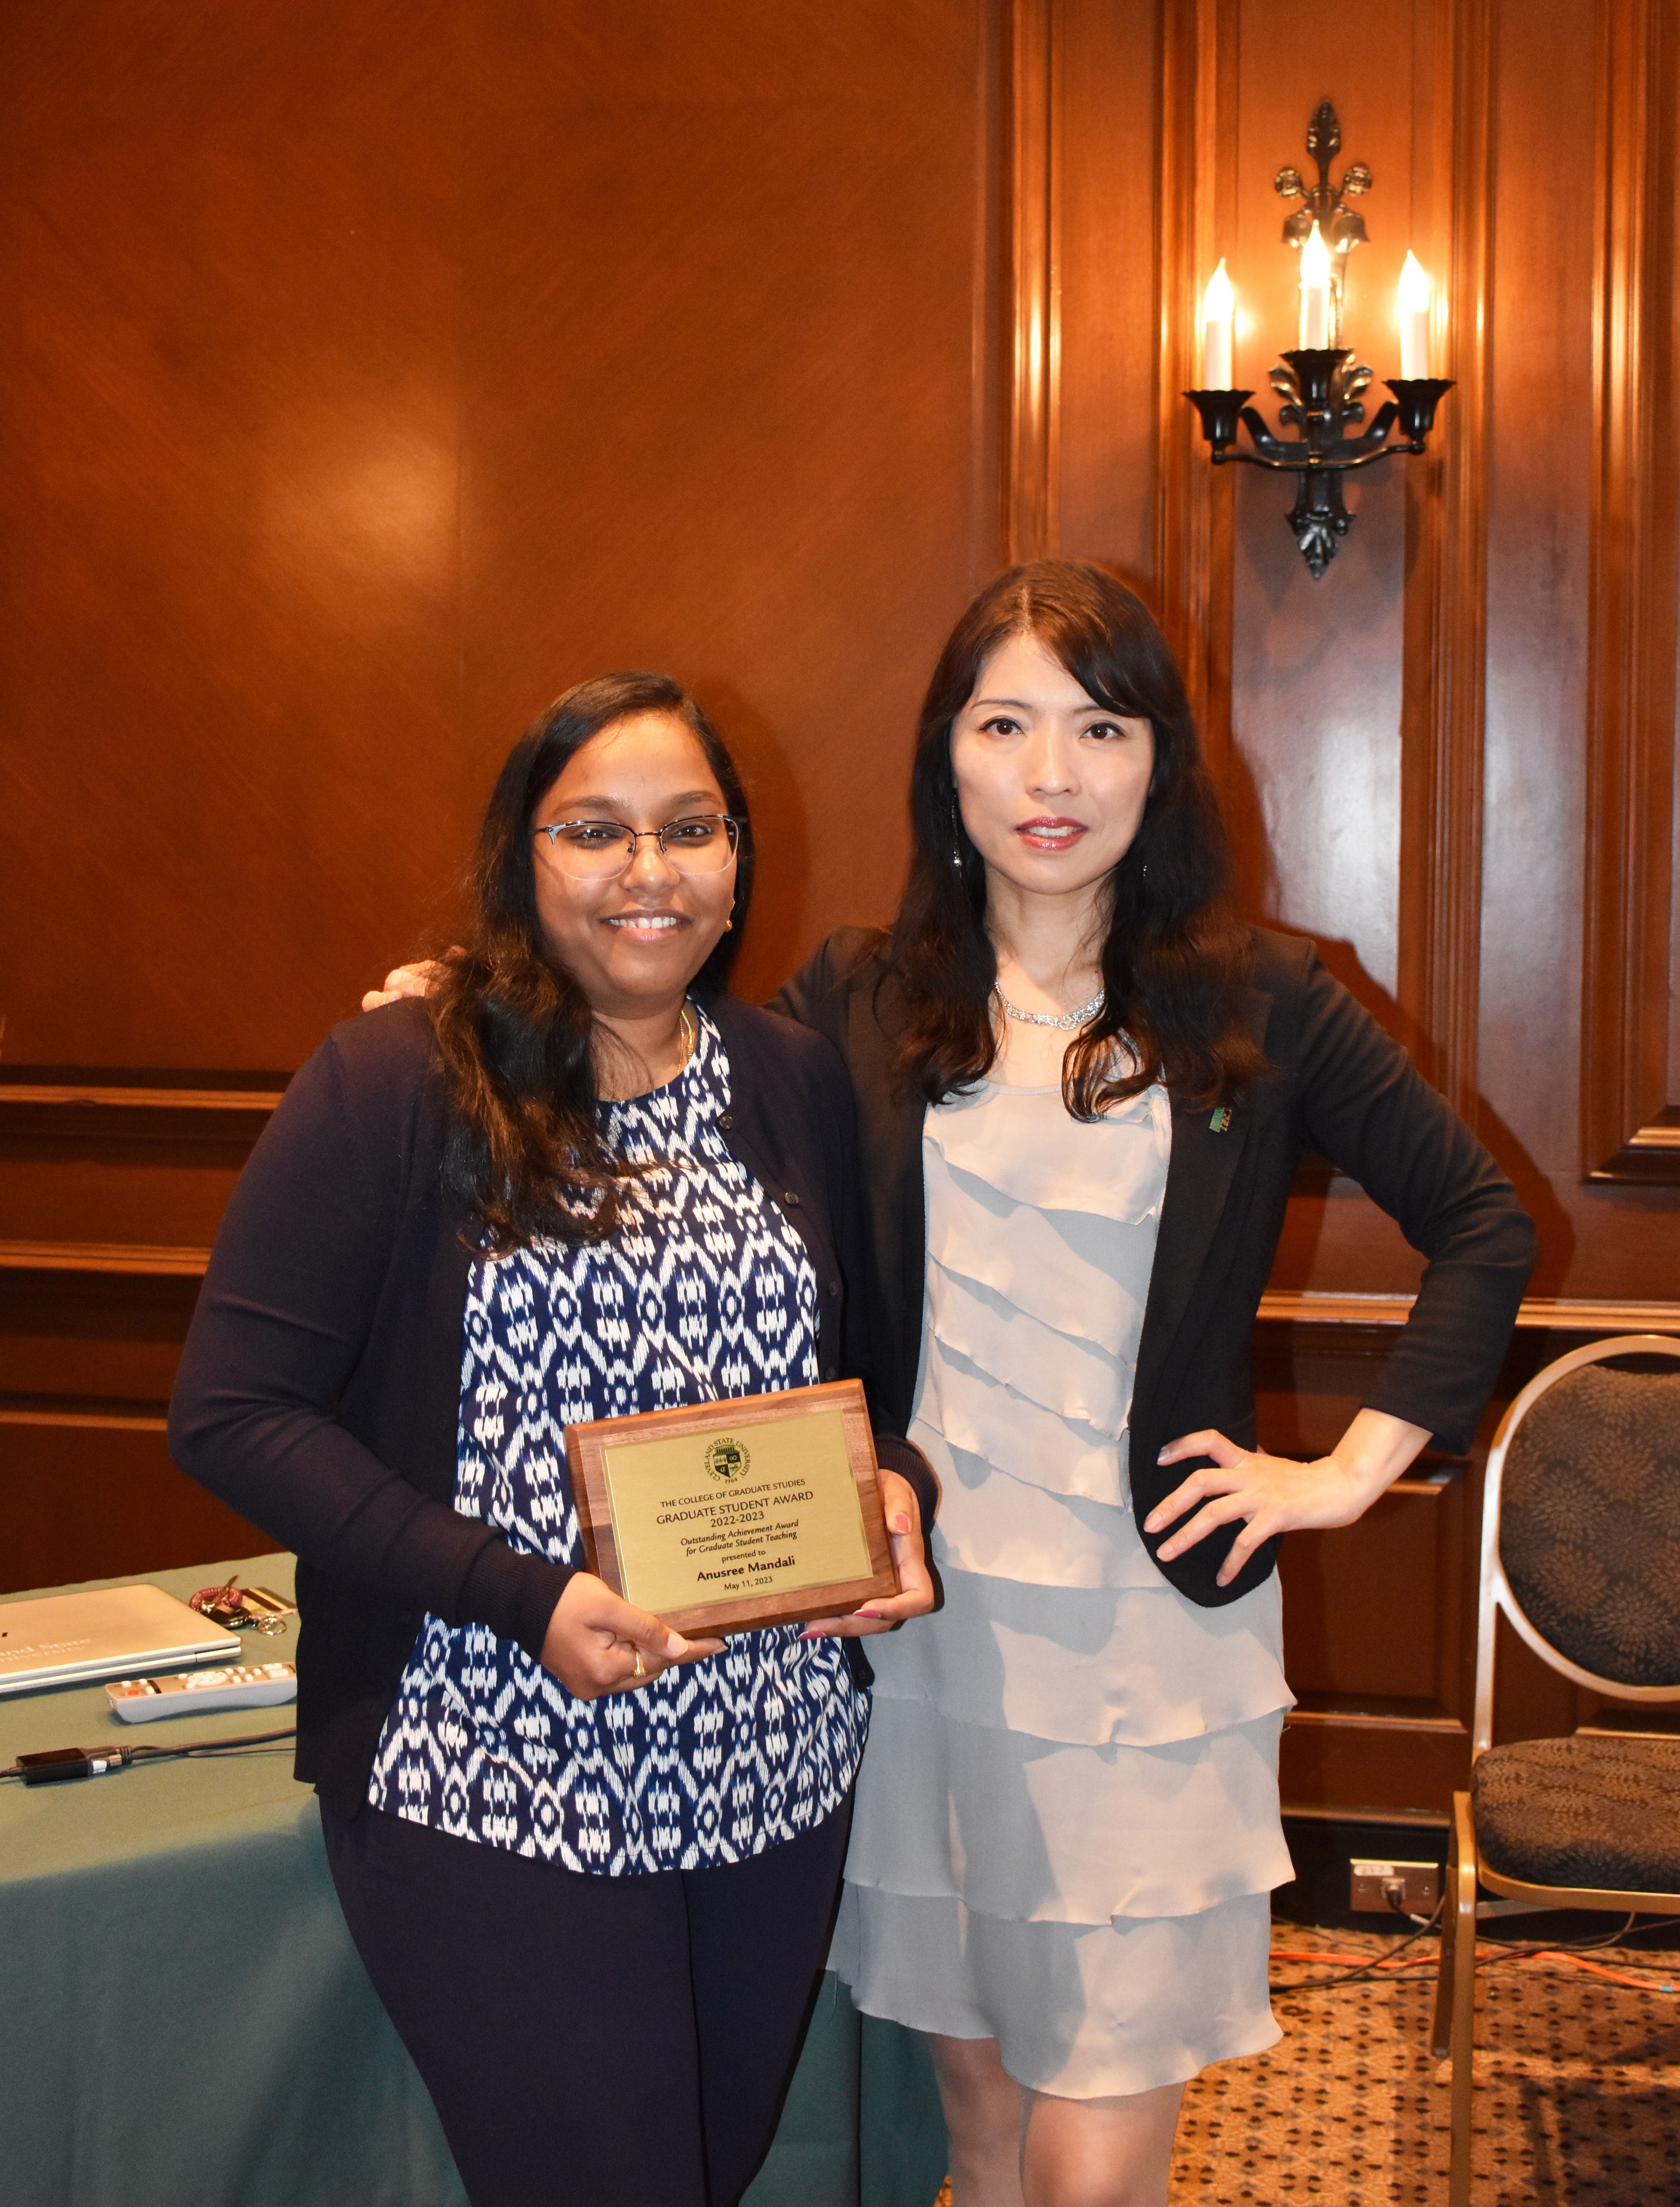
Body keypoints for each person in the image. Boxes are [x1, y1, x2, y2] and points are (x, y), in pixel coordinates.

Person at [364, 563, 1537, 2207]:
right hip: (910, 1633)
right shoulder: (852, 997)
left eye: (1099, 727)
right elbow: (646, 1059)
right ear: (948, 759)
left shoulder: (1264, 994)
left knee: (1098, 2127)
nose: (1052, 779)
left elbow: (1484, 1224)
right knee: (978, 2118)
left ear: (1159, 761)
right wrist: (476, 1012)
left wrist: (1342, 1471)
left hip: (1150, 1638)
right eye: (1007, 726)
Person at [168, 671, 936, 2207]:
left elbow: (860, 1388)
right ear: (524, 857)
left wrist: (897, 1511)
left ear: (739, 864)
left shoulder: (787, 1082)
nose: (650, 873)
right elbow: (233, 1414)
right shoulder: (395, 1080)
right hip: (488, 1768)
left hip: (770, 1770)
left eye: (691, 830)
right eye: (596, 831)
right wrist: (525, 1597)